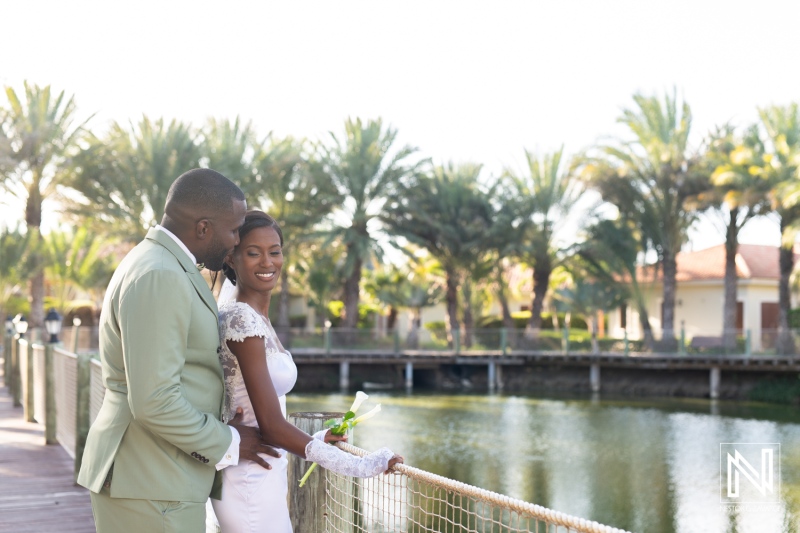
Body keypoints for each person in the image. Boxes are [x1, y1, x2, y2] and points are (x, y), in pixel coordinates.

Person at [77, 169, 280, 533]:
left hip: (154, 479)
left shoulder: (158, 263)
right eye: (233, 230)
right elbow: (155, 399)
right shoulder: (161, 275)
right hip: (151, 482)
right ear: (203, 228)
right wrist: (228, 441)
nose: (235, 242)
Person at [209, 210, 403, 533]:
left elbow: (266, 418)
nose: (267, 262)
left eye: (275, 251)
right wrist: (360, 465)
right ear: (232, 258)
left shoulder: (257, 317)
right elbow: (270, 426)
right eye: (254, 253)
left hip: (266, 474)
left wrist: (316, 439)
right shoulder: (240, 319)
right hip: (247, 482)